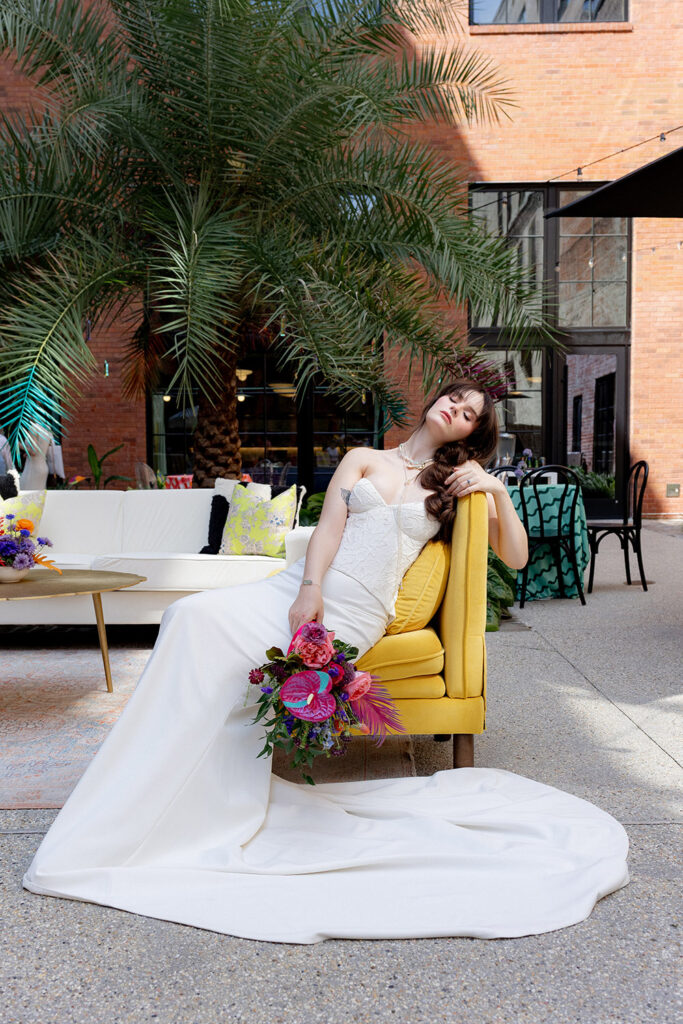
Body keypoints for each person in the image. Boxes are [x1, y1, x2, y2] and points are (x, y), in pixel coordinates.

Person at [23, 379, 628, 943]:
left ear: (471, 435)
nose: (457, 411)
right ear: (435, 401)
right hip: (304, 589)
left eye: (471, 415)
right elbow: (329, 531)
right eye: (455, 399)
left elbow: (516, 559)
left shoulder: (455, 484)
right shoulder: (366, 457)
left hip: (357, 613)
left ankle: (196, 808)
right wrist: (307, 588)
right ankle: (145, 791)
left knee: (218, 649)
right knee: (190, 617)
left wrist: (495, 487)